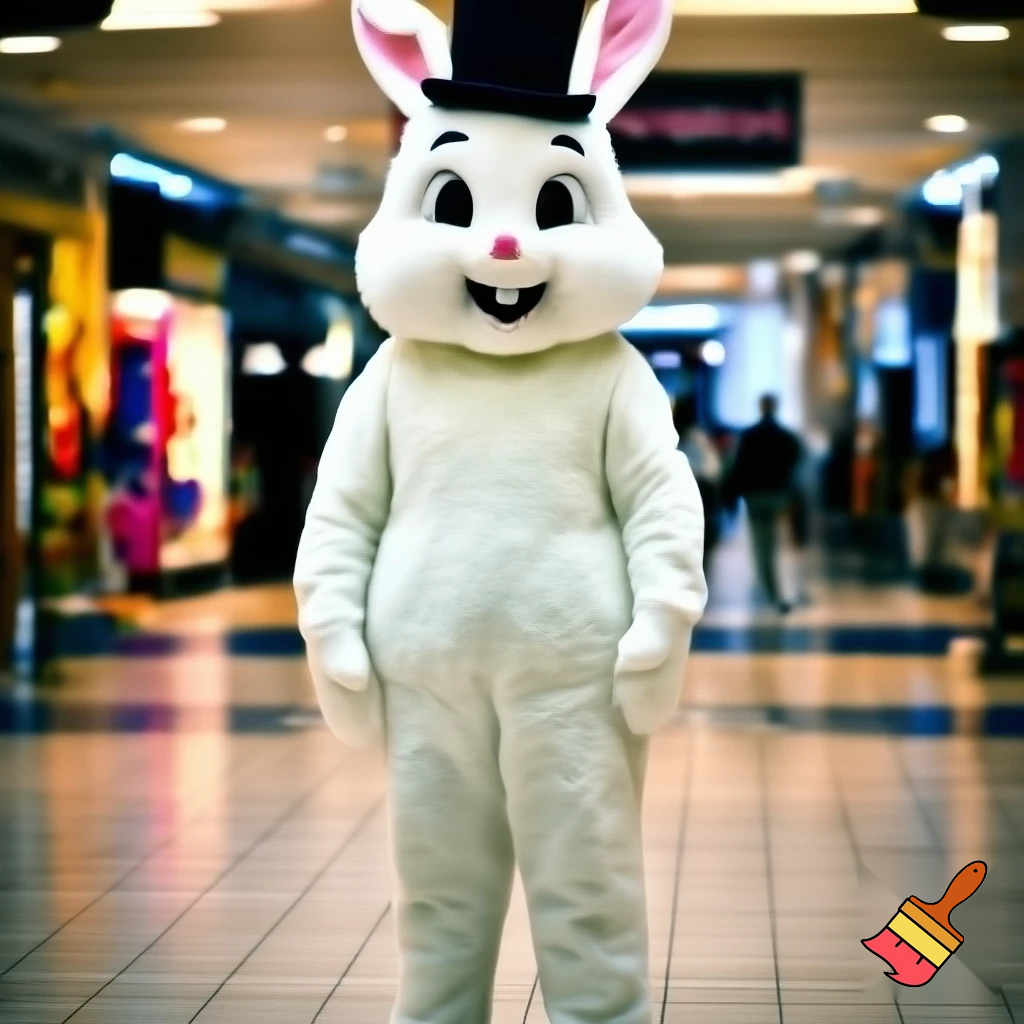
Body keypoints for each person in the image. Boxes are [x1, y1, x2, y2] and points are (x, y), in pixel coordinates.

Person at [725, 394, 803, 613]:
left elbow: (739, 467)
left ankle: (770, 589)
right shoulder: (786, 437)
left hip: (756, 497)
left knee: (762, 545)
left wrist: (732, 497)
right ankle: (782, 593)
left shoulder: (749, 436)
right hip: (779, 497)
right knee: (781, 545)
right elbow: (794, 465)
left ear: (761, 407)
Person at [674, 394, 722, 569]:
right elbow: (712, 467)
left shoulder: (686, 437)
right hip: (704, 486)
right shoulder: (698, 436)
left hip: (694, 487)